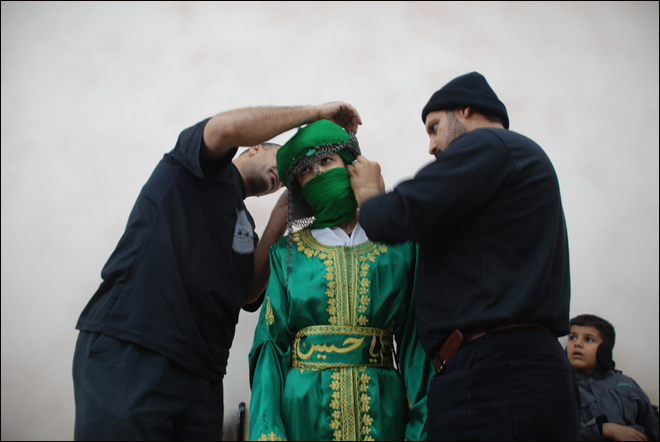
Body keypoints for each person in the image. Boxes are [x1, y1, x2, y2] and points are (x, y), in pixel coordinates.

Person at [72, 103, 362, 440]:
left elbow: (248, 294)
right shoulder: (193, 168)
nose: (282, 177)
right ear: (254, 147)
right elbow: (225, 129)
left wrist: (278, 221)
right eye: (279, 162)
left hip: (203, 376)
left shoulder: (245, 226)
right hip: (138, 349)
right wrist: (315, 114)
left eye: (287, 177)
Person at [348, 71, 580, 440]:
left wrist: (369, 194)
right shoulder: (514, 164)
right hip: (512, 373)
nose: (431, 146)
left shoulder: (489, 144)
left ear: (465, 110)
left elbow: (394, 218)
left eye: (434, 127)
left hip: (495, 377)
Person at [248, 120, 434, 441]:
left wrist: (420, 430)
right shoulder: (286, 254)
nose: (318, 172)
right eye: (305, 170)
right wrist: (268, 431)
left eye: (326, 160)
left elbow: (416, 345)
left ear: (350, 165)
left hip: (383, 410)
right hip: (304, 413)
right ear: (299, 187)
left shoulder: (400, 246)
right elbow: (270, 347)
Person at [568, 314, 659, 441]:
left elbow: (652, 424)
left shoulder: (627, 383)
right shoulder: (561, 384)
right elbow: (552, 428)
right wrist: (603, 429)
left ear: (604, 350)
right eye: (572, 338)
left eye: (588, 339)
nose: (577, 343)